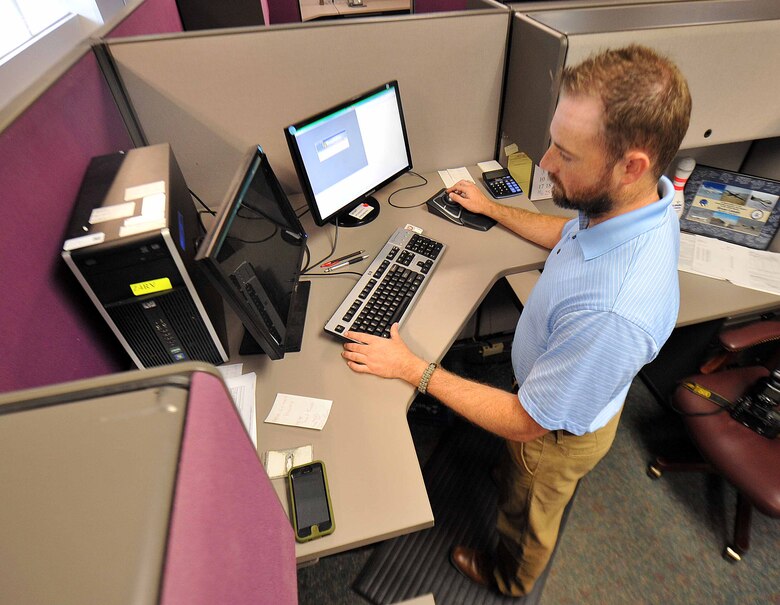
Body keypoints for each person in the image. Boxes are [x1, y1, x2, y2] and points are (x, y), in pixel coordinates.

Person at [341, 44, 692, 597]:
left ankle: (509, 577)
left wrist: (413, 368)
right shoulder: (640, 204)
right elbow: (568, 236)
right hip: (558, 382)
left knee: (527, 513)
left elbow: (529, 423)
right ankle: (510, 476)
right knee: (514, 468)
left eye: (566, 154)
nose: (547, 161)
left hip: (552, 434)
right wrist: (492, 208)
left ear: (632, 165)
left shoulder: (614, 311)